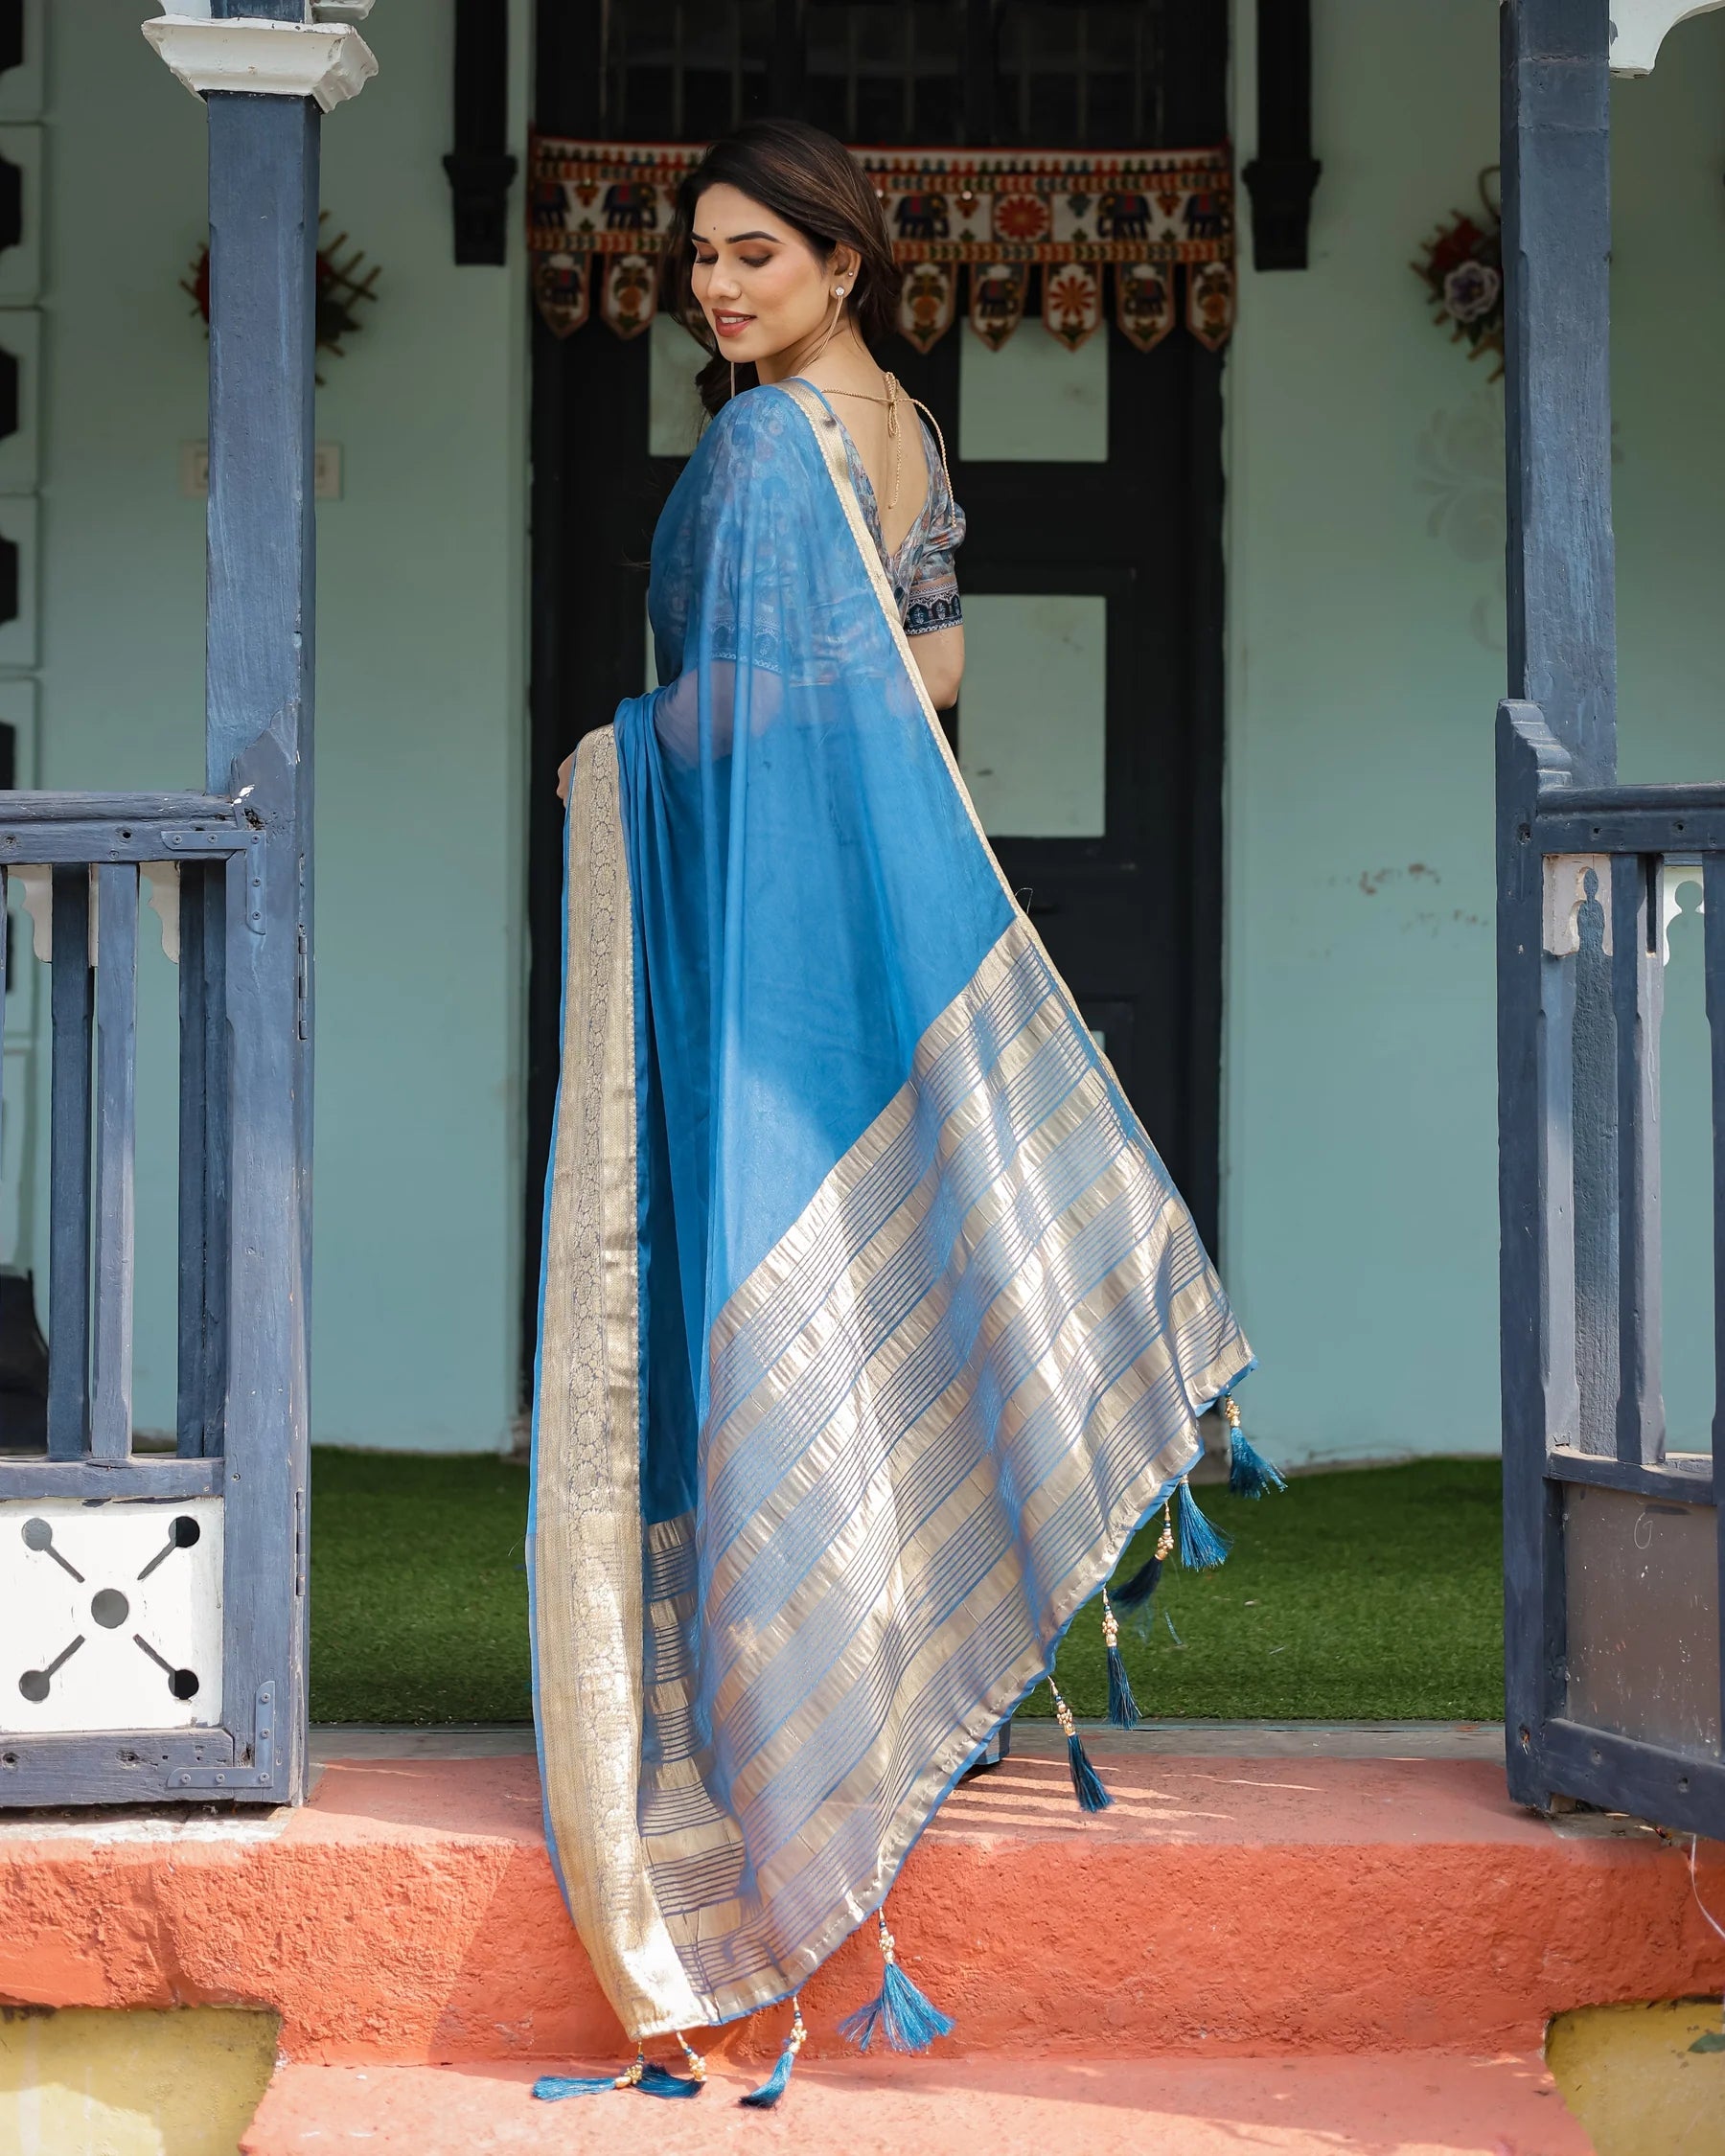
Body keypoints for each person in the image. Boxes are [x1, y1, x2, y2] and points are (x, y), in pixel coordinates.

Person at [532, 117, 1259, 2102]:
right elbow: (928, 670)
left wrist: (621, 752)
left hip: (787, 908)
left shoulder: (774, 444)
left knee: (777, 1254)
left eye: (759, 254)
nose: (719, 284)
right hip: (870, 881)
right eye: (699, 256)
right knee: (885, 1252)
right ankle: (896, 1654)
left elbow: (774, 695)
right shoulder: (903, 428)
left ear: (843, 260)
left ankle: (804, 1703)